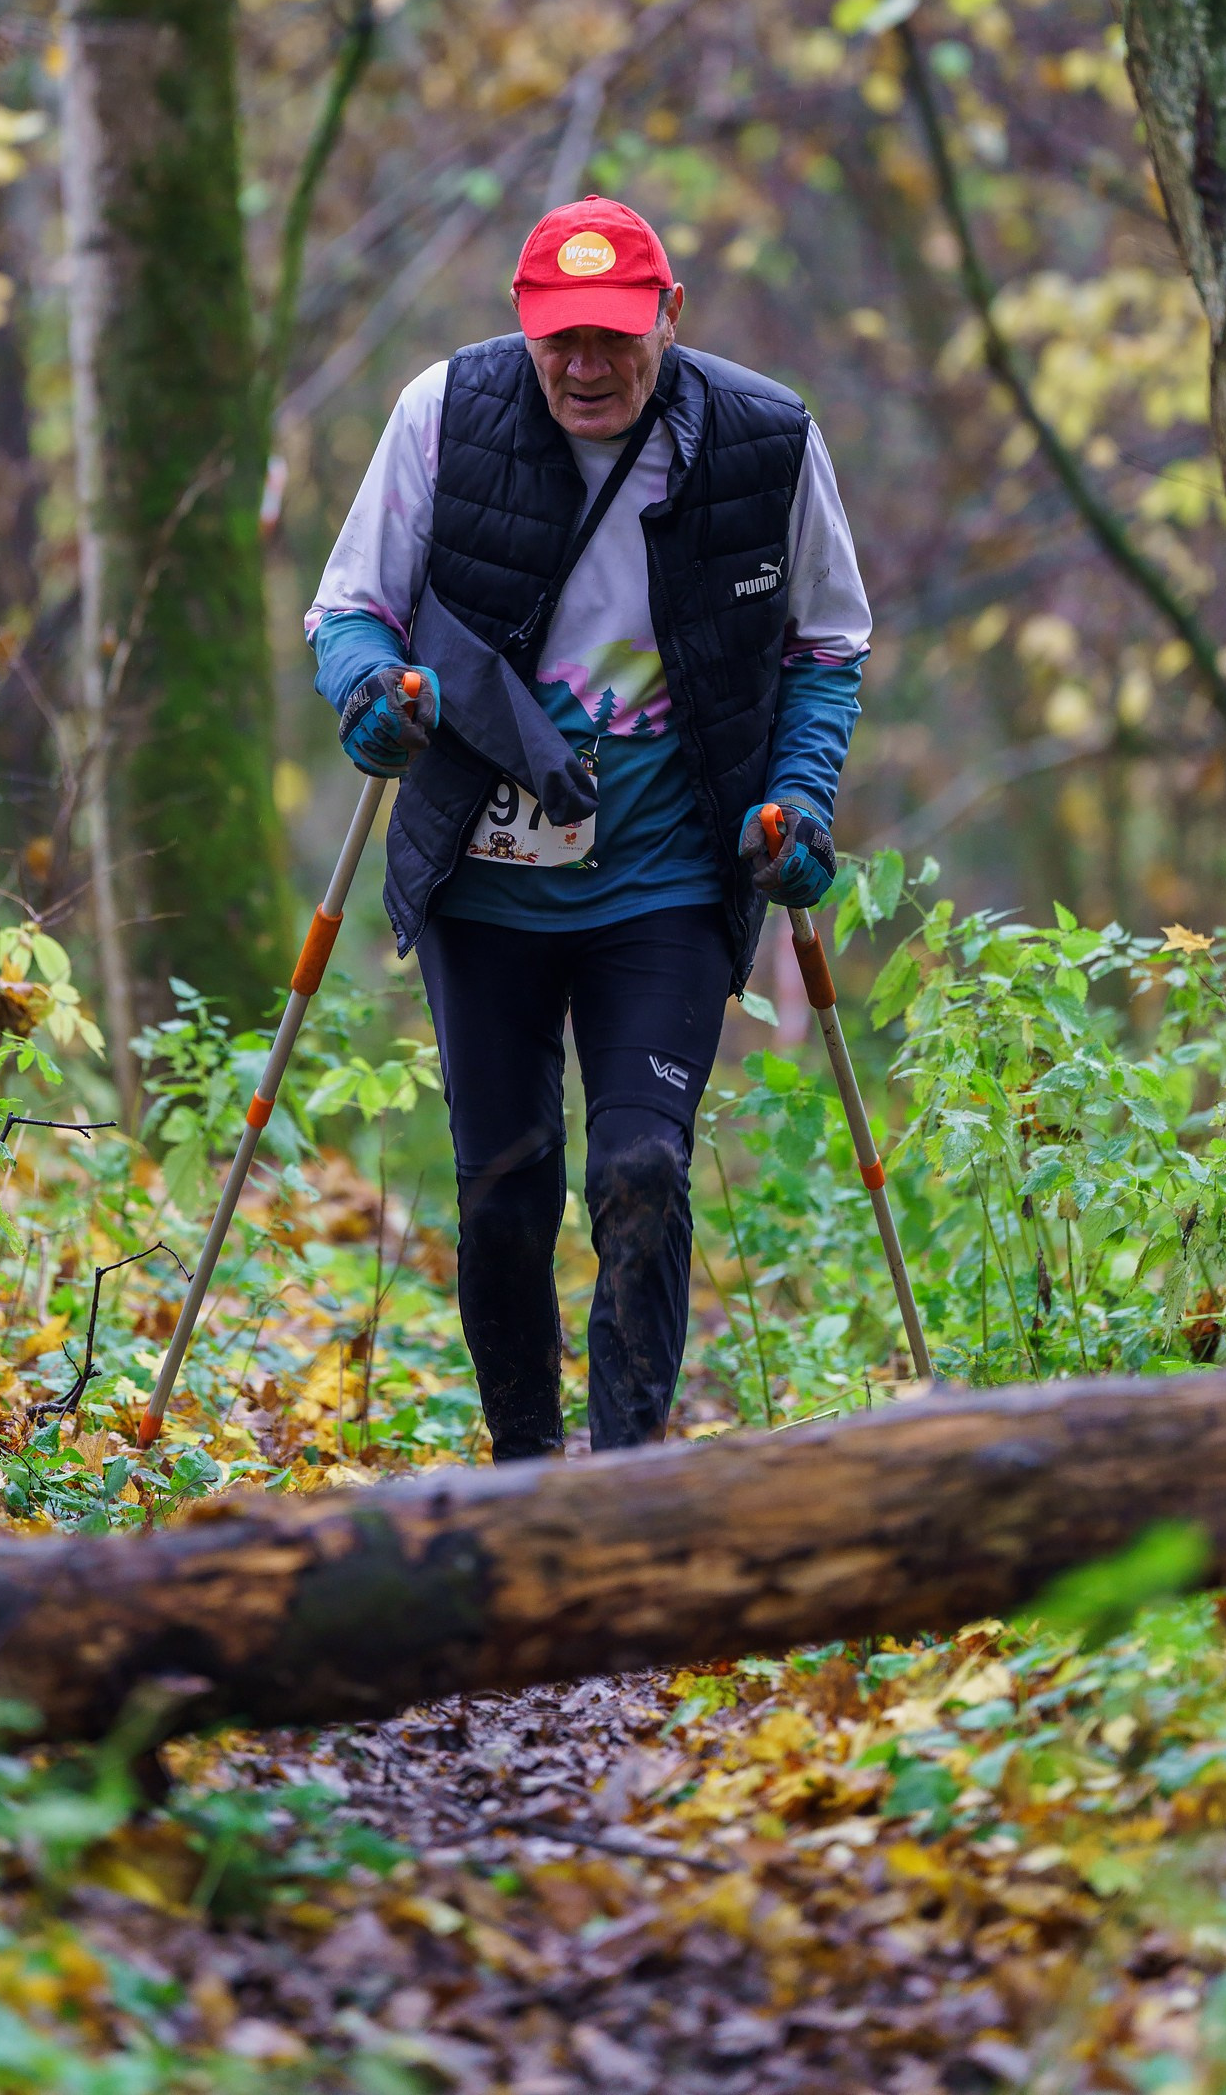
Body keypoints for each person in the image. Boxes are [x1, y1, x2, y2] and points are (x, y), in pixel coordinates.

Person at [306, 194, 870, 1459]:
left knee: (641, 1171)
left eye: (614, 333)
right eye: (561, 335)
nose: (585, 364)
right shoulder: (442, 414)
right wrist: (367, 700)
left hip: (663, 874)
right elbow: (350, 609)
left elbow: (824, 643)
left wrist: (801, 797)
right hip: (480, 873)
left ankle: (625, 1491)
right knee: (504, 1193)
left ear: (666, 319)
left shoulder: (764, 439)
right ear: (524, 328)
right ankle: (525, 1482)